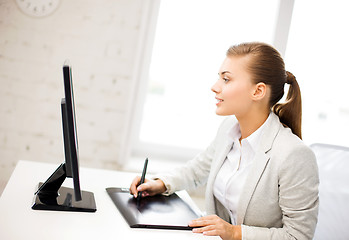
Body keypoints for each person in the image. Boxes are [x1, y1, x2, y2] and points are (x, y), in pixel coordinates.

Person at [130, 42, 319, 240]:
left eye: (226, 79)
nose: (214, 87)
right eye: (219, 77)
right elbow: (199, 169)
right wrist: (161, 183)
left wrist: (233, 232)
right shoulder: (230, 127)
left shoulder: (293, 154)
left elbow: (298, 236)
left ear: (258, 91)